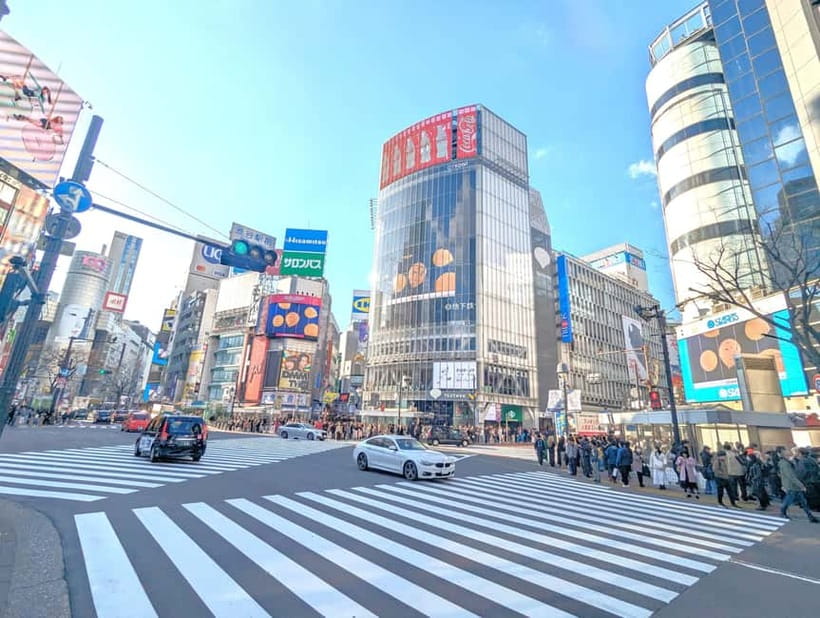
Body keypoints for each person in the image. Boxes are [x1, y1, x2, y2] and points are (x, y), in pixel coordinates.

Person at [779, 447, 818, 522]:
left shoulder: (791, 462)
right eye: (790, 454)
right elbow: (791, 476)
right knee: (788, 501)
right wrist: (801, 485)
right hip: (792, 486)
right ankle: (782, 512)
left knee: (803, 502)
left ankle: (810, 516)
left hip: (795, 485)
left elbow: (796, 474)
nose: (793, 455)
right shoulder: (785, 464)